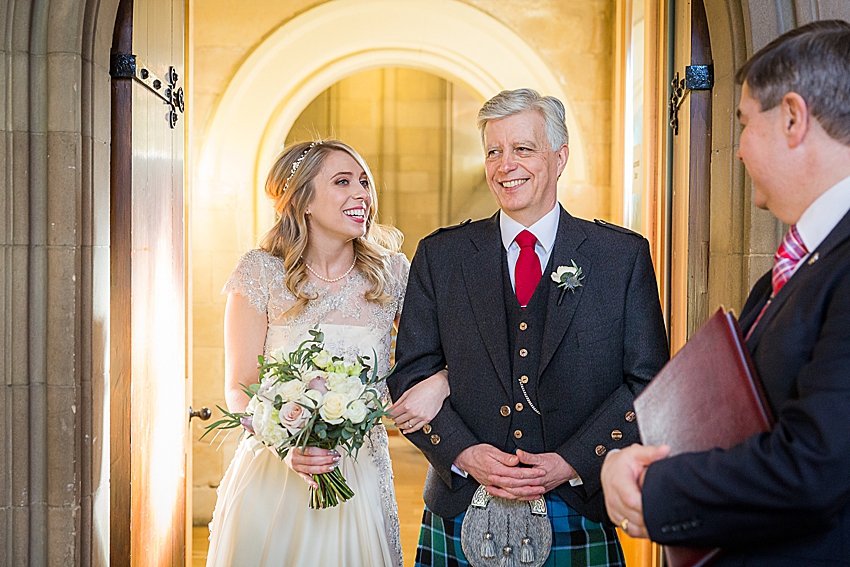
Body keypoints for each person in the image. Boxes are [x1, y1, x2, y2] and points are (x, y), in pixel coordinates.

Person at [600, 20, 850, 566]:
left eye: (742, 124)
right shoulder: (797, 263)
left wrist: (656, 486)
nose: (735, 151)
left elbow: (817, 466)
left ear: (792, 118)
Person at [388, 88, 669, 567]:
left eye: (522, 149)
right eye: (493, 151)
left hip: (578, 502)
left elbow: (649, 385)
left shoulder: (620, 257)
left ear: (559, 158)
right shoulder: (442, 256)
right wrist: (465, 453)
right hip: (461, 500)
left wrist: (572, 462)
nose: (505, 165)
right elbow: (411, 376)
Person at [205, 139, 448, 567]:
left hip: (362, 470)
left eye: (364, 183)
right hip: (275, 470)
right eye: (342, 182)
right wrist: (286, 443)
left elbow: (437, 353)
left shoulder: (390, 274)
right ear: (303, 200)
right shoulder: (261, 272)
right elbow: (240, 385)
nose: (362, 195)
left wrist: (441, 381)